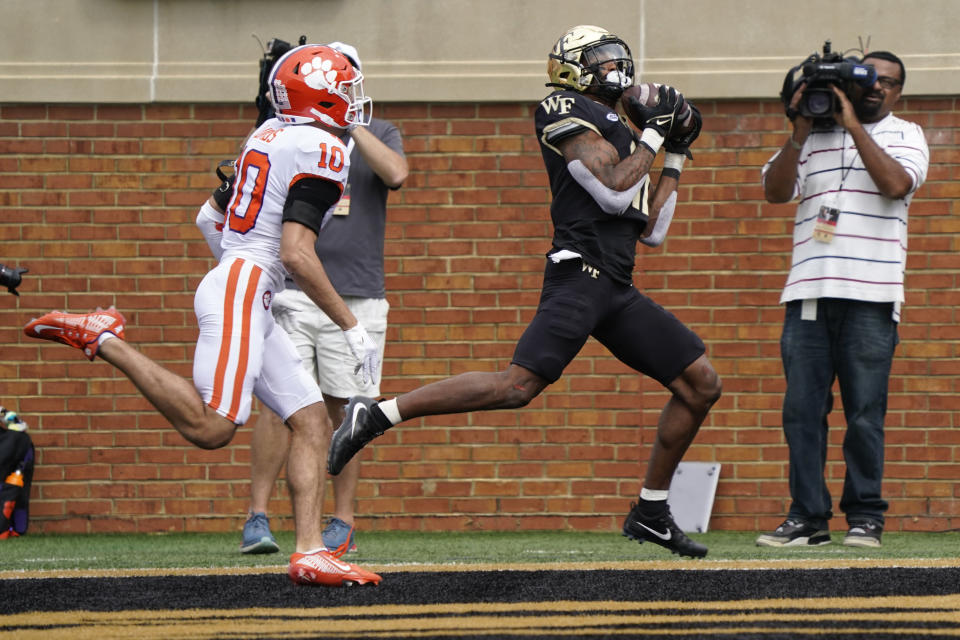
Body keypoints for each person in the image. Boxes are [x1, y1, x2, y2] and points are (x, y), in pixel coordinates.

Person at [326, 25, 722, 558]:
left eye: (617, 58)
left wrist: (672, 151)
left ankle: (650, 511)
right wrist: (653, 135)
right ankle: (375, 414)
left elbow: (652, 229)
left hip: (615, 284)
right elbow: (610, 193)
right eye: (601, 60)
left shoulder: (626, 132)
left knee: (700, 384)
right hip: (580, 273)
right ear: (571, 68)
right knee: (516, 387)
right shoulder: (562, 107)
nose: (615, 69)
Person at [24, 44, 384, 587]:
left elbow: (207, 217)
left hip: (245, 286)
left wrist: (251, 276)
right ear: (320, 95)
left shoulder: (266, 135)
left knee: (311, 421)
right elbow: (296, 252)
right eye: (343, 88)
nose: (352, 98)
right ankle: (105, 340)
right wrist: (348, 324)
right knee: (213, 426)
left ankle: (310, 551)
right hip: (245, 287)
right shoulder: (321, 147)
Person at [237, 42, 408, 556]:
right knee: (279, 408)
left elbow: (397, 174)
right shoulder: (289, 136)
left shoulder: (374, 131)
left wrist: (348, 124)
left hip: (358, 293)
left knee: (347, 413)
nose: (352, 91)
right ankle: (257, 517)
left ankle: (343, 521)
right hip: (292, 291)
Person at [756, 50, 929, 548]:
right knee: (802, 413)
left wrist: (854, 125)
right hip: (808, 294)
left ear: (899, 92)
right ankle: (807, 518)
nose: (876, 87)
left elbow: (896, 185)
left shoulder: (907, 134)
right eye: (868, 78)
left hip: (873, 298)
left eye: (888, 83)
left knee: (864, 414)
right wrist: (799, 130)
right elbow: (774, 191)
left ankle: (865, 518)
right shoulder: (812, 134)